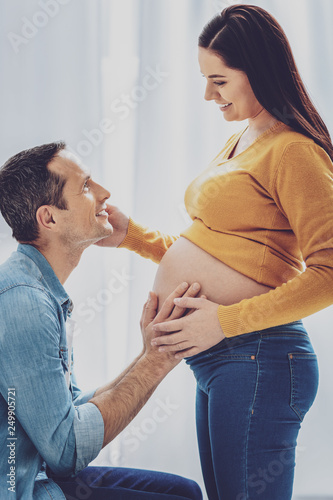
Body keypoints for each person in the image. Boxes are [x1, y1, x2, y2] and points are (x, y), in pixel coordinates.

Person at [96, 5, 333, 500]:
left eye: (219, 81)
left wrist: (221, 323)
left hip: (259, 357)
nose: (208, 94)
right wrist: (133, 237)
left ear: (260, 72)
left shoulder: (293, 151)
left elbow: (329, 273)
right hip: (223, 358)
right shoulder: (243, 140)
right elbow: (219, 247)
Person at [0, 142, 203, 500]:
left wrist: (149, 354)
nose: (105, 193)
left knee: (185, 491)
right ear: (49, 219)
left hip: (39, 473)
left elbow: (69, 410)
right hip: (23, 489)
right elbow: (66, 452)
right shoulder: (24, 302)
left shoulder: (39, 290)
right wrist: (155, 365)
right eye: (86, 186)